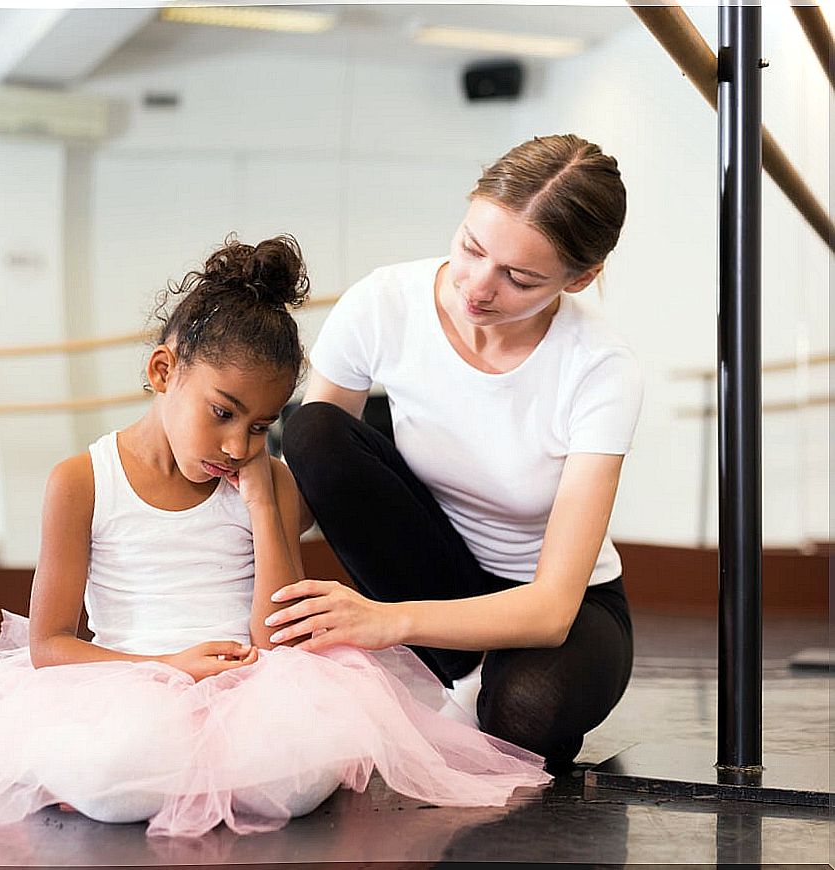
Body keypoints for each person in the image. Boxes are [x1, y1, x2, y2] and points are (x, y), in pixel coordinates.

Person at [0, 235, 549, 838]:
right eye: (222, 412)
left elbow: (276, 633)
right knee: (115, 770)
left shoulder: (266, 481)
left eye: (258, 425)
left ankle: (148, 779)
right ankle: (106, 778)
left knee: (292, 777)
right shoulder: (80, 480)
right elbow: (50, 646)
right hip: (126, 675)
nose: (235, 443)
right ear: (164, 371)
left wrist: (262, 501)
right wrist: (168, 667)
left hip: (252, 680)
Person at [273, 134, 643, 771]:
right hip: (434, 567)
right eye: (472, 247)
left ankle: (477, 687)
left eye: (520, 278)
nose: (477, 286)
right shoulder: (383, 303)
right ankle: (459, 675)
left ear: (580, 278)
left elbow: (553, 609)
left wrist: (387, 624)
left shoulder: (600, 369)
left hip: (561, 606)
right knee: (313, 429)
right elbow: (312, 481)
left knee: (523, 718)